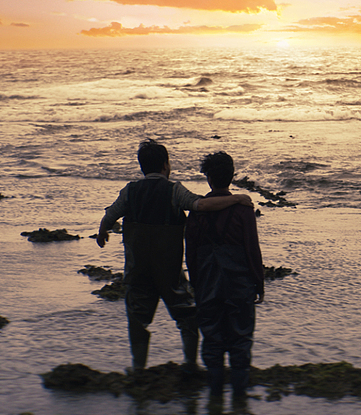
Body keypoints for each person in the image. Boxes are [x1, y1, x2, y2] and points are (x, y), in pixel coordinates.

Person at [97, 139, 252, 372]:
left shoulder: (130, 191)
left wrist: (102, 233)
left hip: (137, 270)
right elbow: (201, 205)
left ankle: (138, 367)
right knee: (188, 315)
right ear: (165, 165)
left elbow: (110, 216)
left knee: (137, 319)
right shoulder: (174, 190)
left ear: (142, 167)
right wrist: (237, 199)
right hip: (169, 270)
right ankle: (190, 363)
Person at [184, 151, 264, 398]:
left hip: (208, 283)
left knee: (212, 339)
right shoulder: (243, 210)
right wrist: (258, 283)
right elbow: (252, 248)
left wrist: (196, 284)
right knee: (240, 339)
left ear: (208, 178)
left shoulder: (197, 212)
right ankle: (239, 398)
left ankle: (215, 397)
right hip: (239, 283)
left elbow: (191, 254)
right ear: (232, 177)